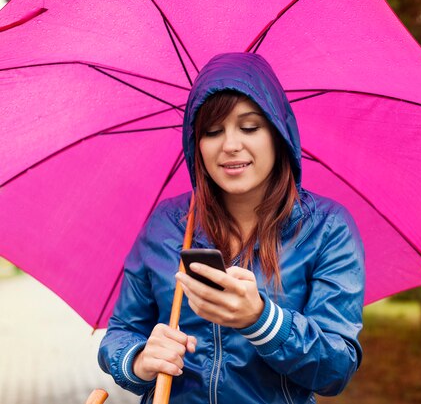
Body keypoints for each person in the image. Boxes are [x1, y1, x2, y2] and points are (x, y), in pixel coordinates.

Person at [98, 52, 365, 404]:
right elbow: (121, 332)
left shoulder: (328, 228)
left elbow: (335, 368)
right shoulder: (167, 224)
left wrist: (261, 319)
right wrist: (140, 359)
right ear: (197, 144)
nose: (230, 145)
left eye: (250, 127)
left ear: (277, 132)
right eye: (212, 131)